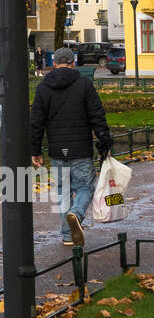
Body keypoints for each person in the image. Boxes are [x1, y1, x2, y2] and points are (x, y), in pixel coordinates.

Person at [30, 45, 112, 247]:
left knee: (62, 190)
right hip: (81, 149)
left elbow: (36, 122)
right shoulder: (84, 84)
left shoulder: (43, 88)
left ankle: (68, 236)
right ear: (73, 64)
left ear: (54, 64)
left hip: (57, 150)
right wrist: (104, 143)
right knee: (85, 187)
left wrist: (35, 151)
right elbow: (97, 116)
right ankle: (76, 213)